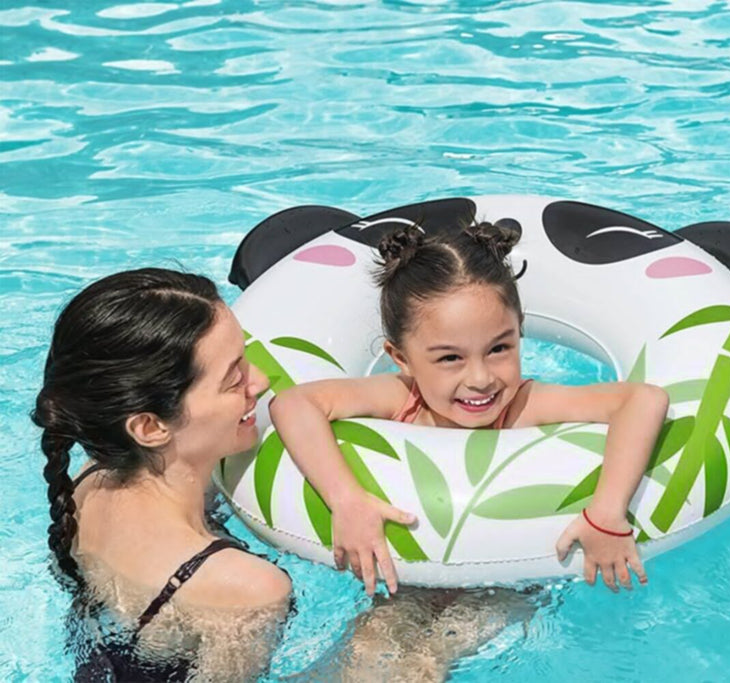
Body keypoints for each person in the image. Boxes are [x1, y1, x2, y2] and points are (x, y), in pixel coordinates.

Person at [270, 222, 670, 598]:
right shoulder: (401, 398)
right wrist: (346, 500)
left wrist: (606, 513)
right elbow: (293, 403)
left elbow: (643, 400)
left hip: (503, 588)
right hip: (407, 580)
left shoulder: (524, 406)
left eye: (499, 348)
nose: (481, 378)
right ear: (401, 358)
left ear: (520, 331)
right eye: (450, 358)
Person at [33, 268, 292, 681]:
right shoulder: (247, 587)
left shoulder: (86, 483)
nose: (259, 382)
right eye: (234, 380)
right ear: (150, 427)